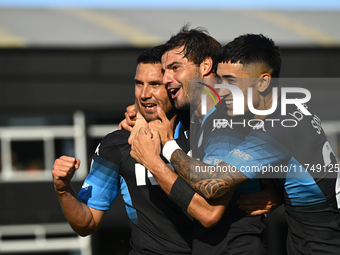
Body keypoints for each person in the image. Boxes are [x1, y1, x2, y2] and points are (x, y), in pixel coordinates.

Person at [132, 34, 340, 254]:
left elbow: (212, 184)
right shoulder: (286, 111)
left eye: (231, 81)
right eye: (219, 79)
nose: (221, 89)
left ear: (263, 82)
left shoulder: (278, 127)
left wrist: (166, 146)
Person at [52, 45, 232, 255]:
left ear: (172, 86)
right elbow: (86, 222)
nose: (144, 94)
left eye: (155, 84)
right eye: (139, 84)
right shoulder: (117, 144)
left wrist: (272, 192)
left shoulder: (206, 131)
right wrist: (63, 190)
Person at [130, 27, 275, 255]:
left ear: (206, 66)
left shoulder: (227, 118)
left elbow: (209, 213)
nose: (166, 79)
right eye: (164, 71)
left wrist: (156, 159)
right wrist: (138, 115)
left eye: (175, 68)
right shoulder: (198, 117)